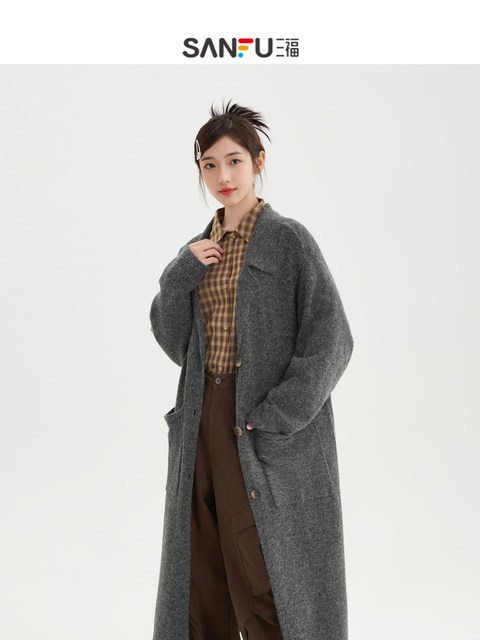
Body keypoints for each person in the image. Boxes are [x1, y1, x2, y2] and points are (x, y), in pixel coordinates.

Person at [150, 100, 354, 640]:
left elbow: (332, 338)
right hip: (203, 417)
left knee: (263, 569)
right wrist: (181, 272)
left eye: (235, 161)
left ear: (258, 162)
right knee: (204, 564)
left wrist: (279, 415)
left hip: (260, 421)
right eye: (210, 165)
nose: (223, 176)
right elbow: (174, 341)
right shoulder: (198, 249)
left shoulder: (289, 241)